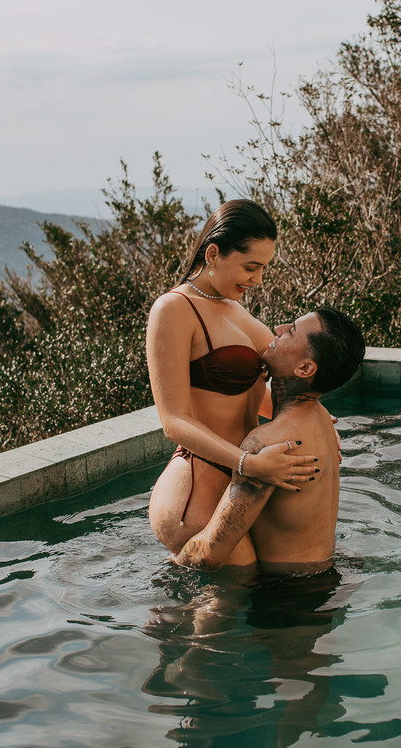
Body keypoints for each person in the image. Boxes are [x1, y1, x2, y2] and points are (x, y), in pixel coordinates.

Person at [146, 199, 318, 565]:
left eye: (263, 269)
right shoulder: (173, 309)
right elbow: (172, 421)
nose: (257, 280)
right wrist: (247, 464)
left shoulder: (234, 308)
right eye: (251, 267)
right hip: (199, 485)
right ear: (213, 253)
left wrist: (314, 415)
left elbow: (253, 392)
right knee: (236, 593)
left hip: (243, 479)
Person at [172, 307, 365, 575]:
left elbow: (209, 554)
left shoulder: (268, 445)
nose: (279, 329)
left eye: (292, 331)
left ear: (305, 368)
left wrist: (170, 566)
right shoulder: (322, 419)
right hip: (324, 577)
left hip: (283, 599)